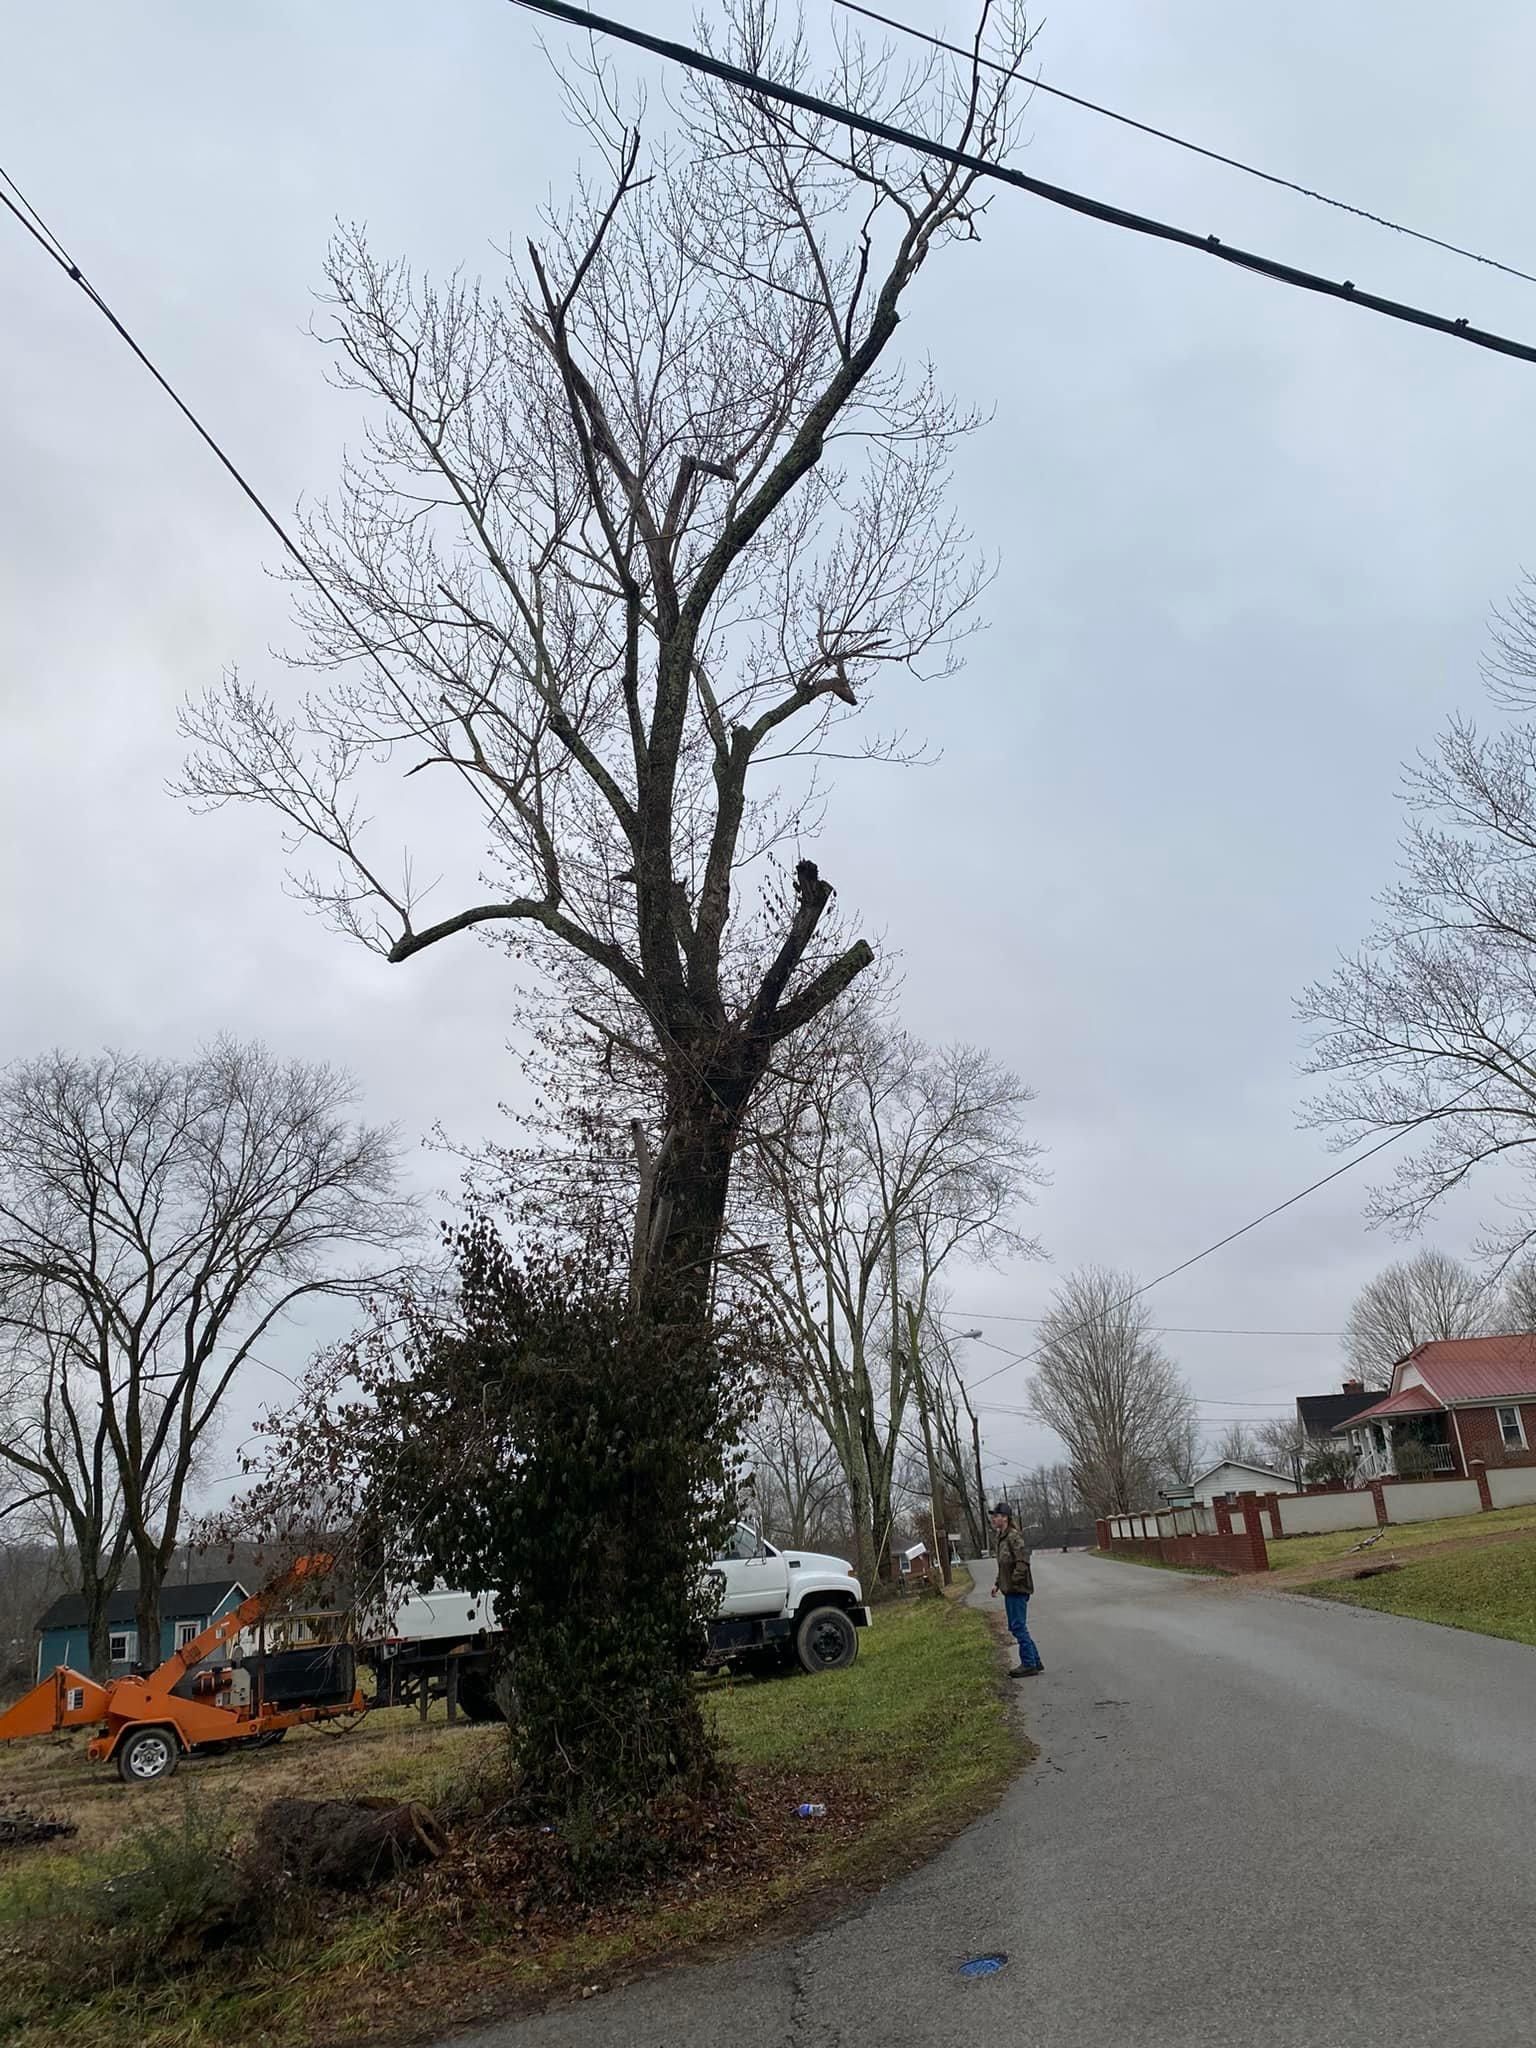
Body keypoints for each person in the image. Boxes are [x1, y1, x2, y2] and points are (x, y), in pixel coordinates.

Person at [990, 1502, 1043, 1677]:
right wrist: (997, 1583)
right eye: (993, 1516)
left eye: (996, 1516)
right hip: (1009, 1589)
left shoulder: (1014, 1537)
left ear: (1005, 1518)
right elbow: (1003, 1565)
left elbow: (1023, 1561)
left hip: (1018, 1589)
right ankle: (1035, 1660)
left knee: (1018, 1626)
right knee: (1016, 1627)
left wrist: (1014, 1581)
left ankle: (1029, 1664)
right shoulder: (1000, 1538)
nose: (994, 1519)